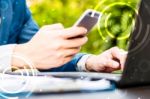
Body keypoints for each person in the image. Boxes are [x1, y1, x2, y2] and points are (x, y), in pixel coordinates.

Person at [0, 0, 127, 73]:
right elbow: (28, 54)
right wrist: (16, 55)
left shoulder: (16, 4)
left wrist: (89, 62)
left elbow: (43, 55)